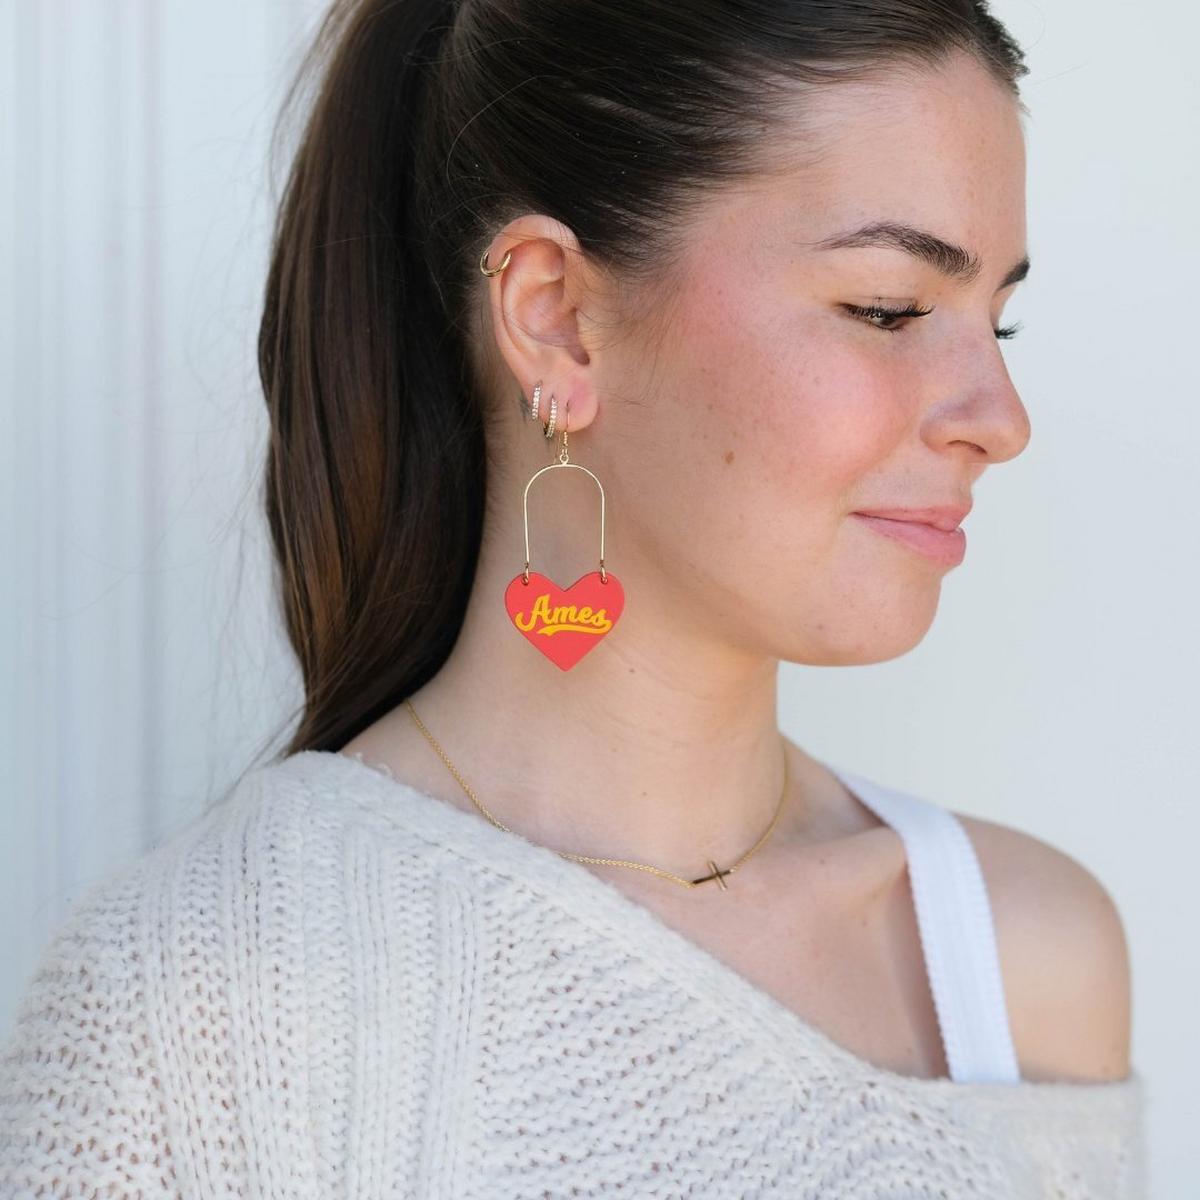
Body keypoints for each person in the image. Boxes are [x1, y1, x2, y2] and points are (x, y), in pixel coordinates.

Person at [0, 0, 1147, 1195]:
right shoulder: (193, 1005)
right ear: (554, 316)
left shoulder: (1025, 965)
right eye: (889, 308)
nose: (1001, 419)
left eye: (999, 320)